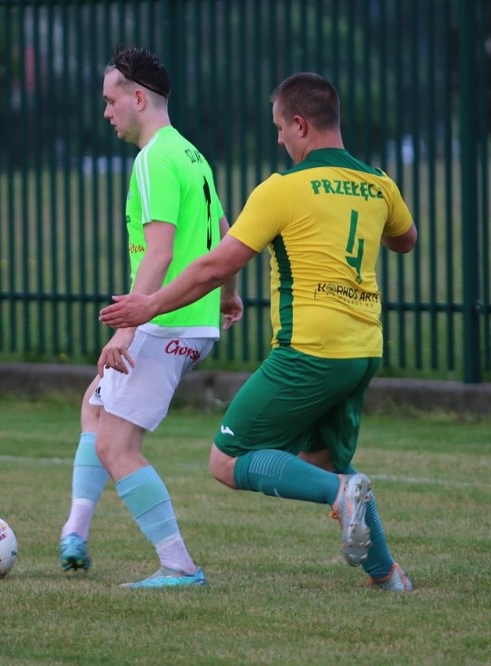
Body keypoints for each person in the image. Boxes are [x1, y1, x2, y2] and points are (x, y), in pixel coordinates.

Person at [99, 72, 417, 591]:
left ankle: (341, 496)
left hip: (307, 350)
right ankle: (387, 575)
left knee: (228, 460)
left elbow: (214, 266)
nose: (279, 139)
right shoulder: (379, 182)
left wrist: (149, 305)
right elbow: (406, 239)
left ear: (300, 125)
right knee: (324, 461)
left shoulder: (282, 189)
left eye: (280, 128)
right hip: (363, 352)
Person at [57, 46, 243, 588]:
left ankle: (179, 566)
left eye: (110, 100)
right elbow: (226, 234)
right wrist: (227, 295)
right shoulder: (190, 154)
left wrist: (126, 329)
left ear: (138, 98)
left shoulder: (153, 159)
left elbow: (159, 254)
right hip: (191, 320)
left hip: (165, 322)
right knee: (94, 405)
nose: (106, 112)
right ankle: (75, 531)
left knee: (116, 445)